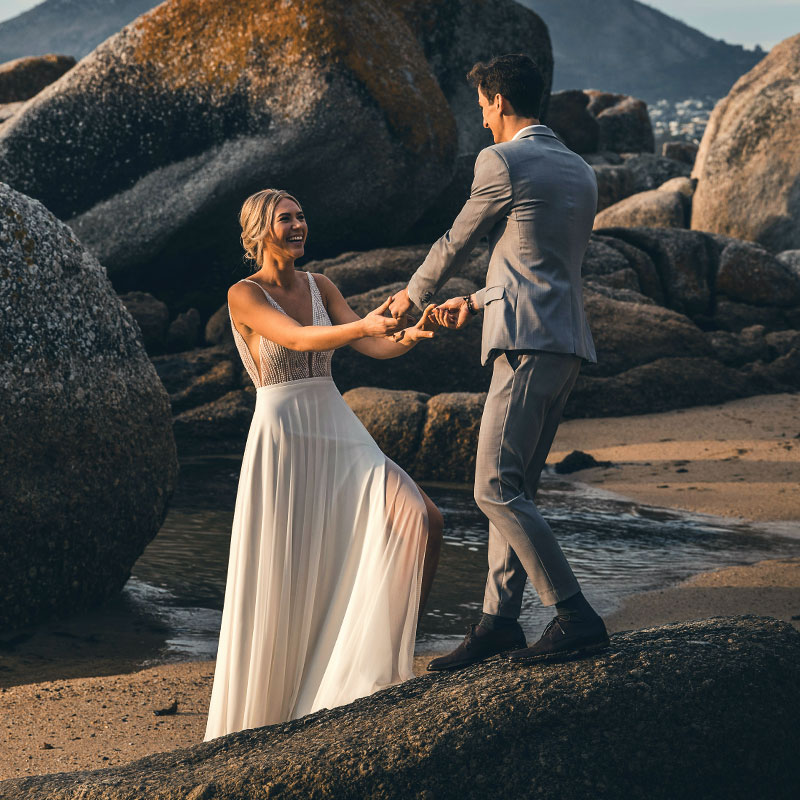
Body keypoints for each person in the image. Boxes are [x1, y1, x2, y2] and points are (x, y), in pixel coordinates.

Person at [389, 53, 609, 669]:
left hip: (526, 347)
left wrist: (413, 298)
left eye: (483, 105)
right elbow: (537, 263)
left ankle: (574, 614)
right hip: (565, 344)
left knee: (491, 487)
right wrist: (474, 301)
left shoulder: (503, 160)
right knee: (518, 489)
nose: (482, 119)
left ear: (501, 103)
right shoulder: (578, 168)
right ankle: (497, 621)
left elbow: (456, 239)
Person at [204, 188, 443, 740]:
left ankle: (383, 664)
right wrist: (363, 326)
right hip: (283, 435)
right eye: (286, 218)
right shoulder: (244, 294)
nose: (298, 225)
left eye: (302, 216)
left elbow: (372, 347)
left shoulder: (321, 285)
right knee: (290, 573)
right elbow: (296, 337)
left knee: (421, 516)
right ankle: (287, 711)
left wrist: (409, 335)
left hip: (334, 421)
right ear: (260, 230)